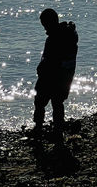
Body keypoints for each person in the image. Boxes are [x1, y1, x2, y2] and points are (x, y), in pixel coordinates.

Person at [32, 8, 78, 138]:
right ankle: (58, 129)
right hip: (66, 75)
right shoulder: (69, 34)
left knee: (40, 101)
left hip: (52, 75)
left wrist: (41, 70)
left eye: (44, 24)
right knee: (57, 103)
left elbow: (50, 59)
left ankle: (39, 127)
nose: (44, 28)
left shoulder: (55, 38)